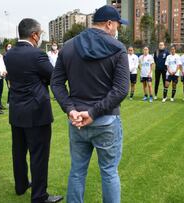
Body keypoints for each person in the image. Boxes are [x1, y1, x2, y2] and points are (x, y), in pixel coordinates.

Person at [51, 5, 129, 203]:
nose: (117, 29)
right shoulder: (117, 47)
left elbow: (56, 83)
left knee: (77, 171)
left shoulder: (68, 46)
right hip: (104, 121)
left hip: (78, 120)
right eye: (118, 25)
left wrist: (71, 109)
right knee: (109, 173)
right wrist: (88, 112)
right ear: (109, 24)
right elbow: (121, 89)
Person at [4, 18, 62, 203]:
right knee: (39, 155)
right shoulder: (37, 55)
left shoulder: (9, 54)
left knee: (19, 152)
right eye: (40, 34)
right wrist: (41, 81)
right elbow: (54, 76)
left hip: (17, 110)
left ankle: (21, 186)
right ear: (34, 35)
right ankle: (39, 196)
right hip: (36, 112)